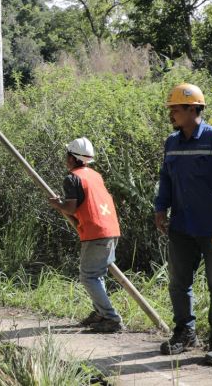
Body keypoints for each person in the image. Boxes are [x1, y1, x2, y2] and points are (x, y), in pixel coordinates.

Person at [155, 83, 212, 366]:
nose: (171, 114)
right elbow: (166, 178)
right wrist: (160, 208)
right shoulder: (172, 143)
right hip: (182, 227)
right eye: (171, 109)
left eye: (176, 109)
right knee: (178, 283)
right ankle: (184, 333)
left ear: (193, 109)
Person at [48, 137, 123, 333]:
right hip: (110, 229)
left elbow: (71, 208)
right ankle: (100, 313)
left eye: (67, 155)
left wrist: (57, 204)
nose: (65, 159)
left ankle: (111, 318)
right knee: (97, 275)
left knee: (88, 277)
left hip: (95, 231)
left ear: (73, 158)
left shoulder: (72, 178)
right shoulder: (95, 175)